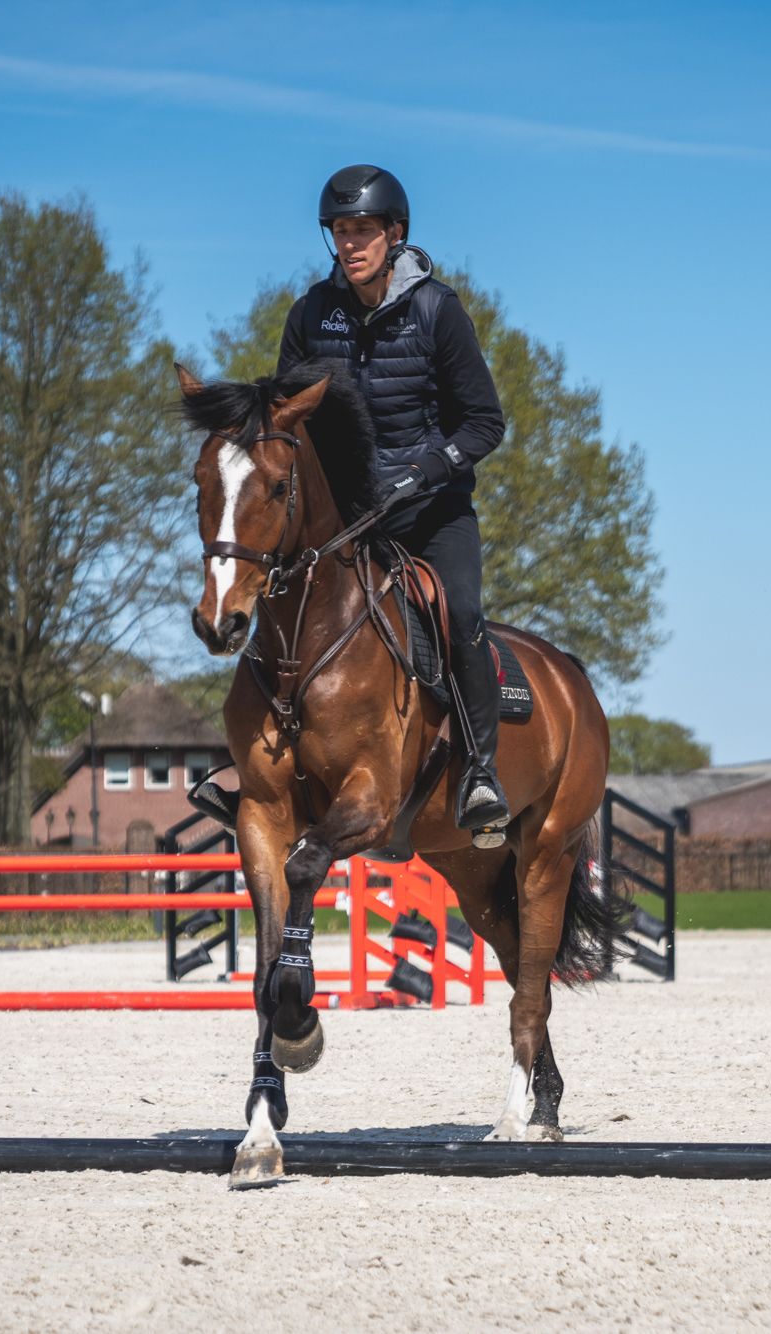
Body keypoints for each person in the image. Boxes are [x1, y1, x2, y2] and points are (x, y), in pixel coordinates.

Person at [275, 164, 511, 844]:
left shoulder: (438, 310)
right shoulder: (310, 316)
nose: (350, 245)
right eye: (340, 232)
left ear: (394, 234)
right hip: (349, 518)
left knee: (459, 609)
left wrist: (424, 471)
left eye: (363, 232)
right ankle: (256, 765)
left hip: (431, 513)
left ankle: (481, 773)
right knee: (274, 593)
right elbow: (291, 416)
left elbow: (485, 423)